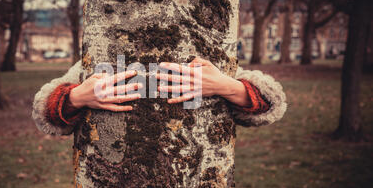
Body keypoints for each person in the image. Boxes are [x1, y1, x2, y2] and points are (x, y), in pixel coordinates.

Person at [32, 57, 287, 135]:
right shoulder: (95, 59)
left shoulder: (214, 61)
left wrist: (227, 87)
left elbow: (272, 104)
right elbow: (45, 115)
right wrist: (75, 98)